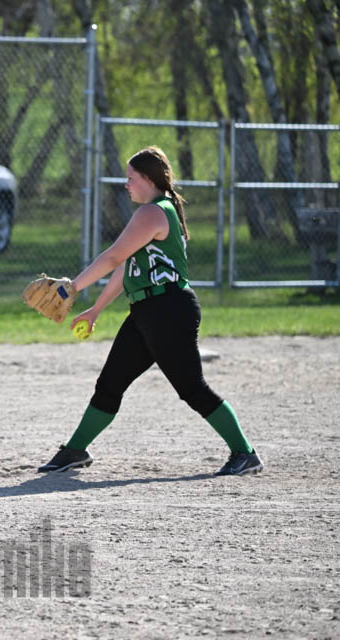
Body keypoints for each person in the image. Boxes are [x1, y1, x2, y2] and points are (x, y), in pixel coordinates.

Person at [37, 146, 263, 477]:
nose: (126, 184)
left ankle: (245, 453)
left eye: (131, 178)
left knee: (192, 388)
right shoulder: (152, 212)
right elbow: (125, 266)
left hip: (168, 310)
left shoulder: (154, 212)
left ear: (147, 178)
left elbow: (112, 256)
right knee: (110, 383)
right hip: (147, 311)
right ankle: (75, 450)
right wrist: (96, 309)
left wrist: (72, 286)